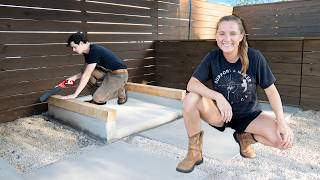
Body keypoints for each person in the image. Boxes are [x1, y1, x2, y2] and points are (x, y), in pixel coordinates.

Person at [176, 15, 294, 173]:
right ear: (216, 36)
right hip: (220, 114)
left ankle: (244, 138)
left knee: (284, 141)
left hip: (249, 116)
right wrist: (218, 97)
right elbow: (192, 84)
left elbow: (271, 91)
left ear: (241, 36)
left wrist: (281, 122)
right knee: (191, 98)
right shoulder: (213, 57)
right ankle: (194, 153)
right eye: (222, 33)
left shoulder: (254, 57)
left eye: (232, 33)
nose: (227, 38)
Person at [61, 32, 128, 105]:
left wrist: (75, 94)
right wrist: (73, 78)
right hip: (108, 73)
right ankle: (98, 98)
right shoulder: (87, 52)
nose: (73, 50)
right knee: (84, 71)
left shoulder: (94, 51)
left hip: (119, 75)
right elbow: (86, 72)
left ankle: (119, 92)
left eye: (74, 47)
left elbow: (86, 75)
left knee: (97, 96)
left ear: (81, 43)